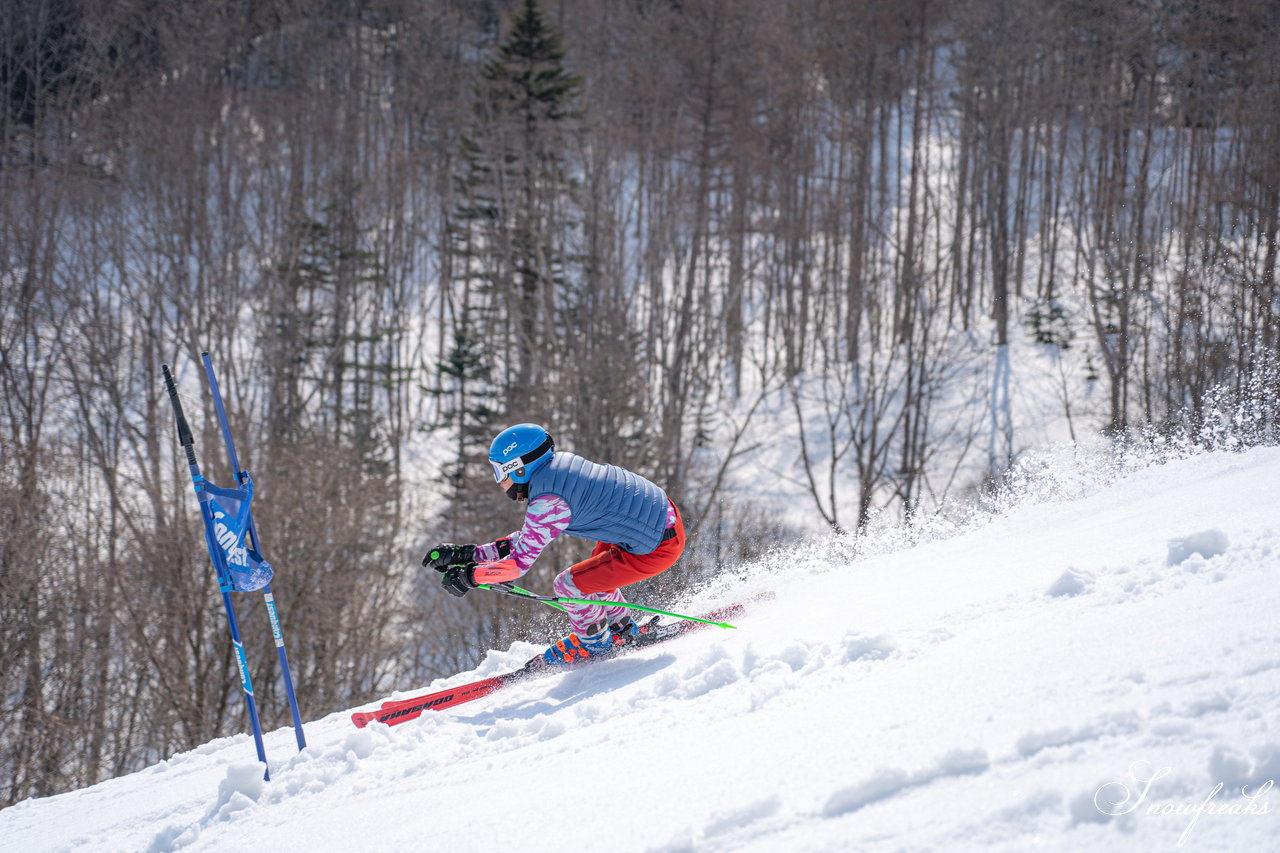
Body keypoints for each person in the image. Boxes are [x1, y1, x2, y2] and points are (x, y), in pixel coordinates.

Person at [424, 424, 685, 665]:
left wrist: (470, 576)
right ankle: (622, 628)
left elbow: (516, 566)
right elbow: (530, 537)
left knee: (568, 584)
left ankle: (594, 645)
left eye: (499, 472)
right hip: (658, 521)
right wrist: (469, 554)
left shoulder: (548, 500)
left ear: (519, 469)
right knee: (593, 574)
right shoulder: (558, 469)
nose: (500, 482)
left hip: (656, 546)